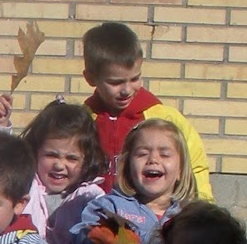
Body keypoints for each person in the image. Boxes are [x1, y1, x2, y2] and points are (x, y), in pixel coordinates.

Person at [58, 119, 198, 244]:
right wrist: (103, 237)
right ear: (127, 166)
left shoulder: (188, 217)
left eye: (164, 154)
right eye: (142, 154)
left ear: (180, 169)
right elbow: (84, 234)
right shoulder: (110, 206)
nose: (153, 159)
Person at [80, 20, 212, 199]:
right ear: (90, 78)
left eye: (134, 79)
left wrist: (203, 208)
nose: (127, 90)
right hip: (91, 212)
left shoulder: (164, 119)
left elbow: (195, 167)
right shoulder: (83, 121)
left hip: (147, 212)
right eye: (115, 82)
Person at [0, 97, 107, 237]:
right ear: (35, 151)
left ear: (87, 160)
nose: (59, 165)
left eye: (71, 158)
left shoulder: (90, 197)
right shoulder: (25, 186)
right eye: (51, 155)